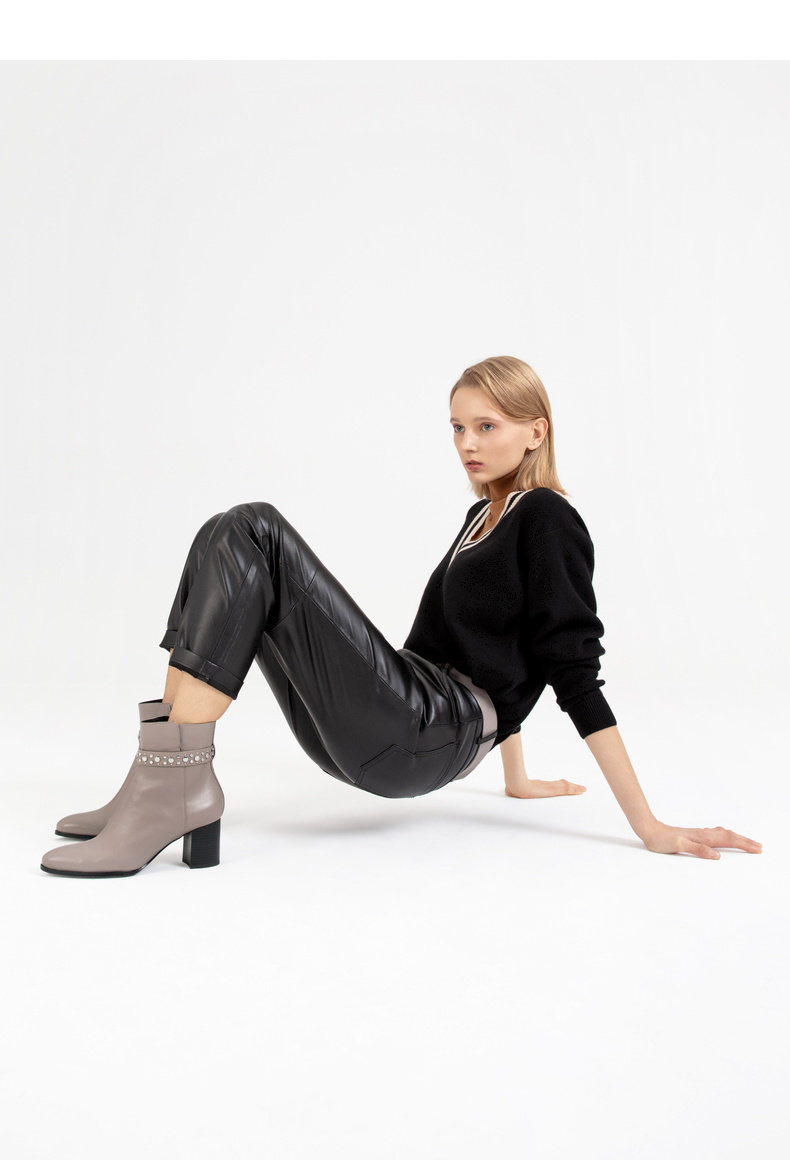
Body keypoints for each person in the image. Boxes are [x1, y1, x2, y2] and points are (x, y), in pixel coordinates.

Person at [40, 356, 762, 877]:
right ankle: (159, 780)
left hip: (424, 731)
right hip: (407, 717)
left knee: (253, 527)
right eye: (457, 428)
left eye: (487, 425)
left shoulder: (547, 517)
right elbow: (504, 650)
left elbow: (567, 666)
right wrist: (516, 776)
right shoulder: (483, 517)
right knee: (224, 535)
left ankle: (173, 790)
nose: (468, 444)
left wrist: (648, 825)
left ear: (536, 432)